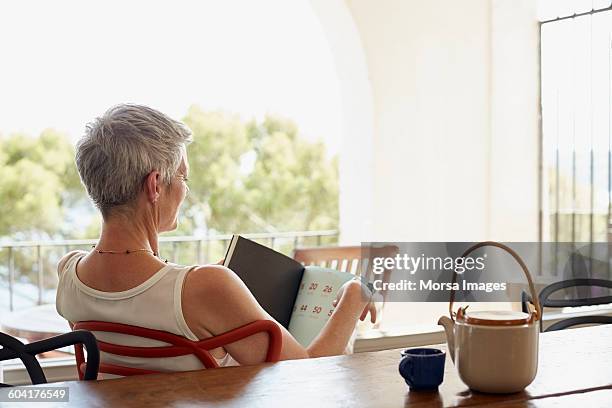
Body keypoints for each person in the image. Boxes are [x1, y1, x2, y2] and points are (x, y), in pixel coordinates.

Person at [56, 104, 375, 371]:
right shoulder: (207, 287)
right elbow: (307, 375)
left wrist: (206, 278)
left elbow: (139, 301)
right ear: (155, 185)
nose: (185, 189)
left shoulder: (68, 273)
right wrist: (355, 293)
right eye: (183, 176)